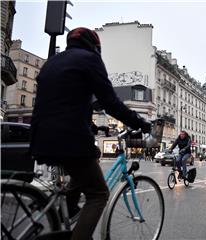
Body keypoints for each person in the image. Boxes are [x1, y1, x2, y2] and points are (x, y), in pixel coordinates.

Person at [30, 27, 151, 240]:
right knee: (98, 194)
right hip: (68, 137)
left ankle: (68, 207)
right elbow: (111, 102)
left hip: (40, 136)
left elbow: (66, 103)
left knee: (91, 154)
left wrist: (96, 129)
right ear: (95, 46)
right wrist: (141, 122)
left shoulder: (53, 62)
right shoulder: (89, 60)